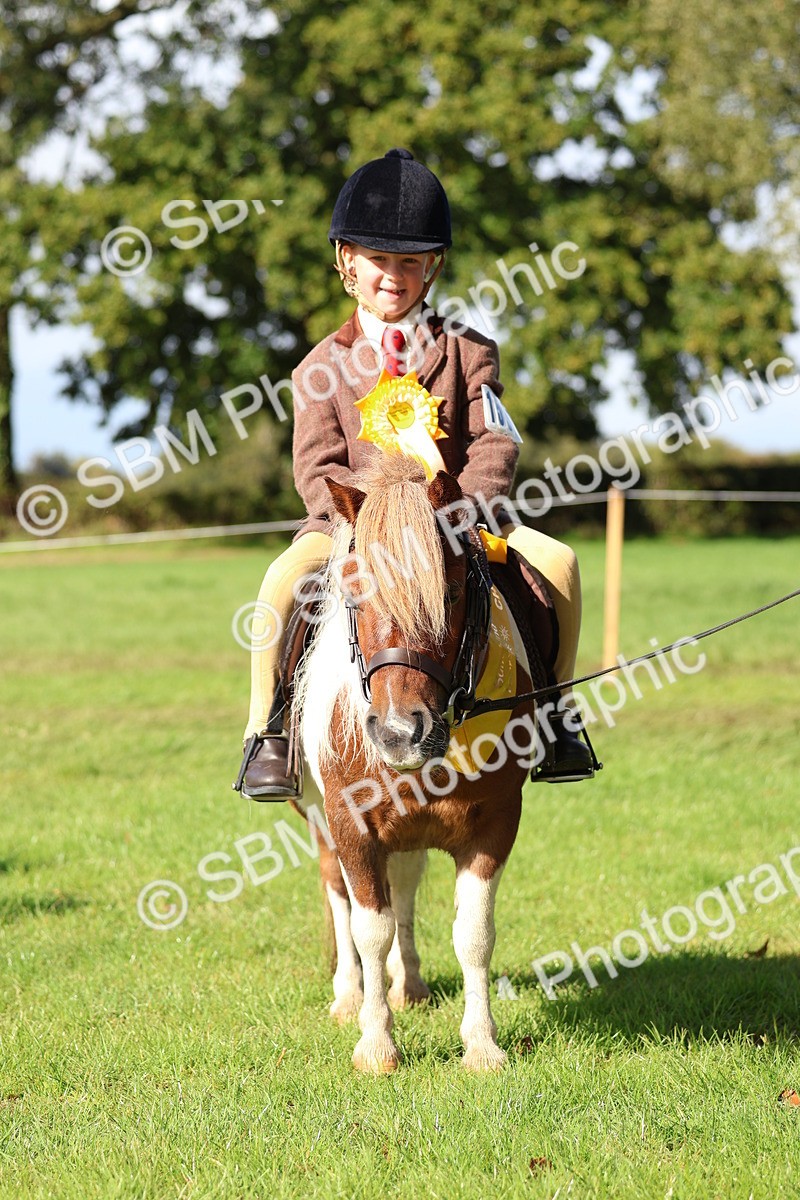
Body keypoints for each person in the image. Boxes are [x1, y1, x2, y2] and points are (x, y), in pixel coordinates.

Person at [235, 148, 593, 800]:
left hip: (459, 524)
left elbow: (493, 442)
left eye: (410, 263)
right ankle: (269, 732)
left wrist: (460, 513)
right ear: (347, 261)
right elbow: (317, 467)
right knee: (280, 583)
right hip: (351, 530)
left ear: (433, 267)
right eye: (379, 260)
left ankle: (556, 715)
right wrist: (366, 521)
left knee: (561, 564)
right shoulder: (318, 366)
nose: (393, 277)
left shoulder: (470, 352)